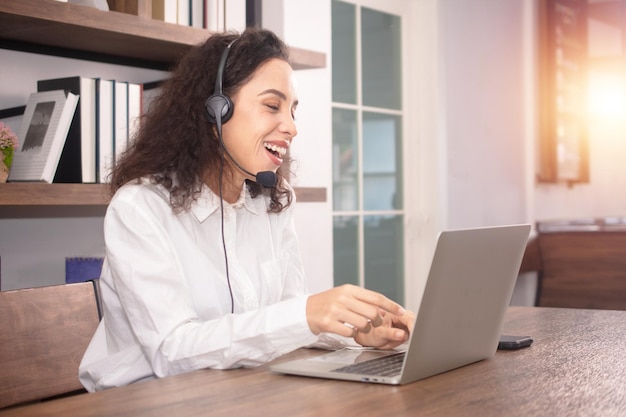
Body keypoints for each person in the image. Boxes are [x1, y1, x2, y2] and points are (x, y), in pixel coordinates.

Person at [79, 27, 414, 392]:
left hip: (236, 391)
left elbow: (285, 327)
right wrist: (307, 313)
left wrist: (353, 332)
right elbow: (171, 352)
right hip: (140, 400)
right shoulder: (140, 208)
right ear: (216, 109)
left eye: (292, 111)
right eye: (272, 106)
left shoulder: (272, 199)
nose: (291, 127)